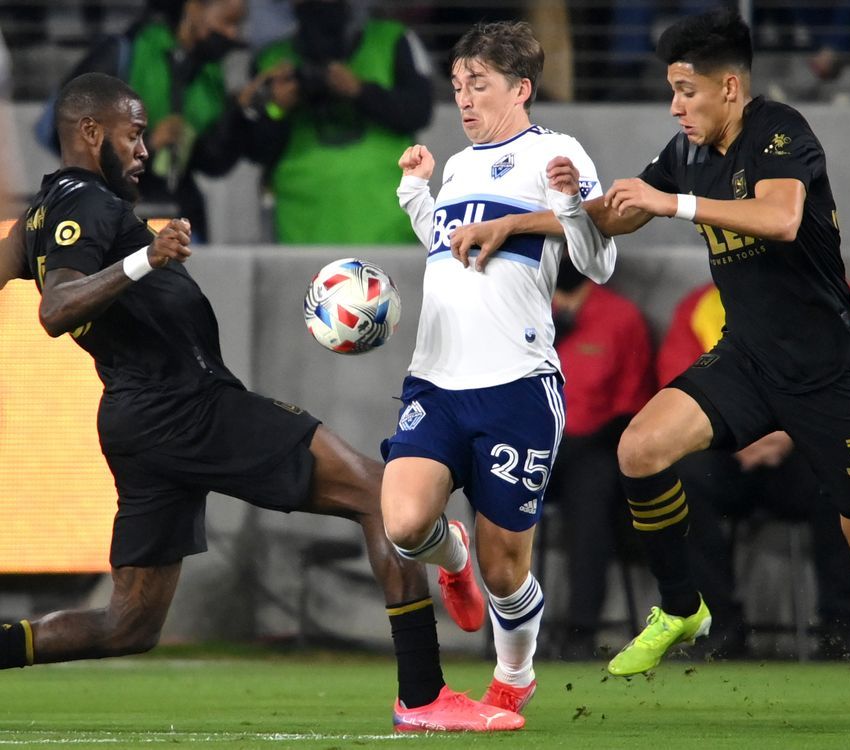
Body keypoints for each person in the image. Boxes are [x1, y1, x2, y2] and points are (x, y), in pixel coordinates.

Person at [448, 8, 850, 735]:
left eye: (686, 90)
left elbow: (781, 218)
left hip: (828, 373)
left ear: (729, 87)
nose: (675, 106)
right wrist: (520, 223)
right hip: (749, 360)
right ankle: (684, 606)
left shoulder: (780, 130)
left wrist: (676, 204)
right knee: (639, 449)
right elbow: (613, 214)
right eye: (670, 89)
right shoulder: (685, 151)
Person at [0, 72, 522, 734]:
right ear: (89, 131)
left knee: (127, 625)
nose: (143, 151)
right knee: (380, 496)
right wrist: (147, 259)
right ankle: (422, 695)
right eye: (133, 136)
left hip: (138, 420)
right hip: (187, 407)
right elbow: (54, 309)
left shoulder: (46, 212)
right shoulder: (85, 208)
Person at [380, 21, 617, 720]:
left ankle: (514, 675)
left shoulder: (557, 153)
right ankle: (450, 560)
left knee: (508, 567)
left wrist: (571, 205)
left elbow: (601, 262)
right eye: (457, 85)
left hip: (516, 385)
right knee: (401, 523)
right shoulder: (456, 165)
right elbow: (452, 248)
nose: (464, 97)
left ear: (520, 88)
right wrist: (418, 195)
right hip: (436, 380)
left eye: (478, 83)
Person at [662, 281, 850, 660]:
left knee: (844, 474)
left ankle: (842, 628)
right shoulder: (700, 306)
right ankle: (719, 627)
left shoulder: (838, 299)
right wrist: (736, 431)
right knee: (683, 481)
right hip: (726, 448)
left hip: (804, 446)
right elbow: (677, 391)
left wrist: (787, 432)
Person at [36, 0, 255, 242]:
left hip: (175, 215)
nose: (233, 33)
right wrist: (145, 143)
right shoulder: (129, 51)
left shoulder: (210, 74)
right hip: (109, 217)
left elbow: (212, 162)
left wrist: (238, 112)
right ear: (193, 8)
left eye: (239, 24)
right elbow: (67, 132)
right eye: (227, 21)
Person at [243, 0, 434, 244]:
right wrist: (276, 107)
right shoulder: (273, 59)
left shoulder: (393, 40)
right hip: (301, 233)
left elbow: (420, 111)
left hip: (389, 230)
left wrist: (360, 91)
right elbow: (254, 149)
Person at [545, 253, 655, 659]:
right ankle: (504, 630)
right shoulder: (524, 309)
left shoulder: (621, 317)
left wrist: (580, 443)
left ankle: (581, 630)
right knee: (481, 482)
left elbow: (631, 407)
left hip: (591, 449)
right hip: (531, 445)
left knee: (593, 491)